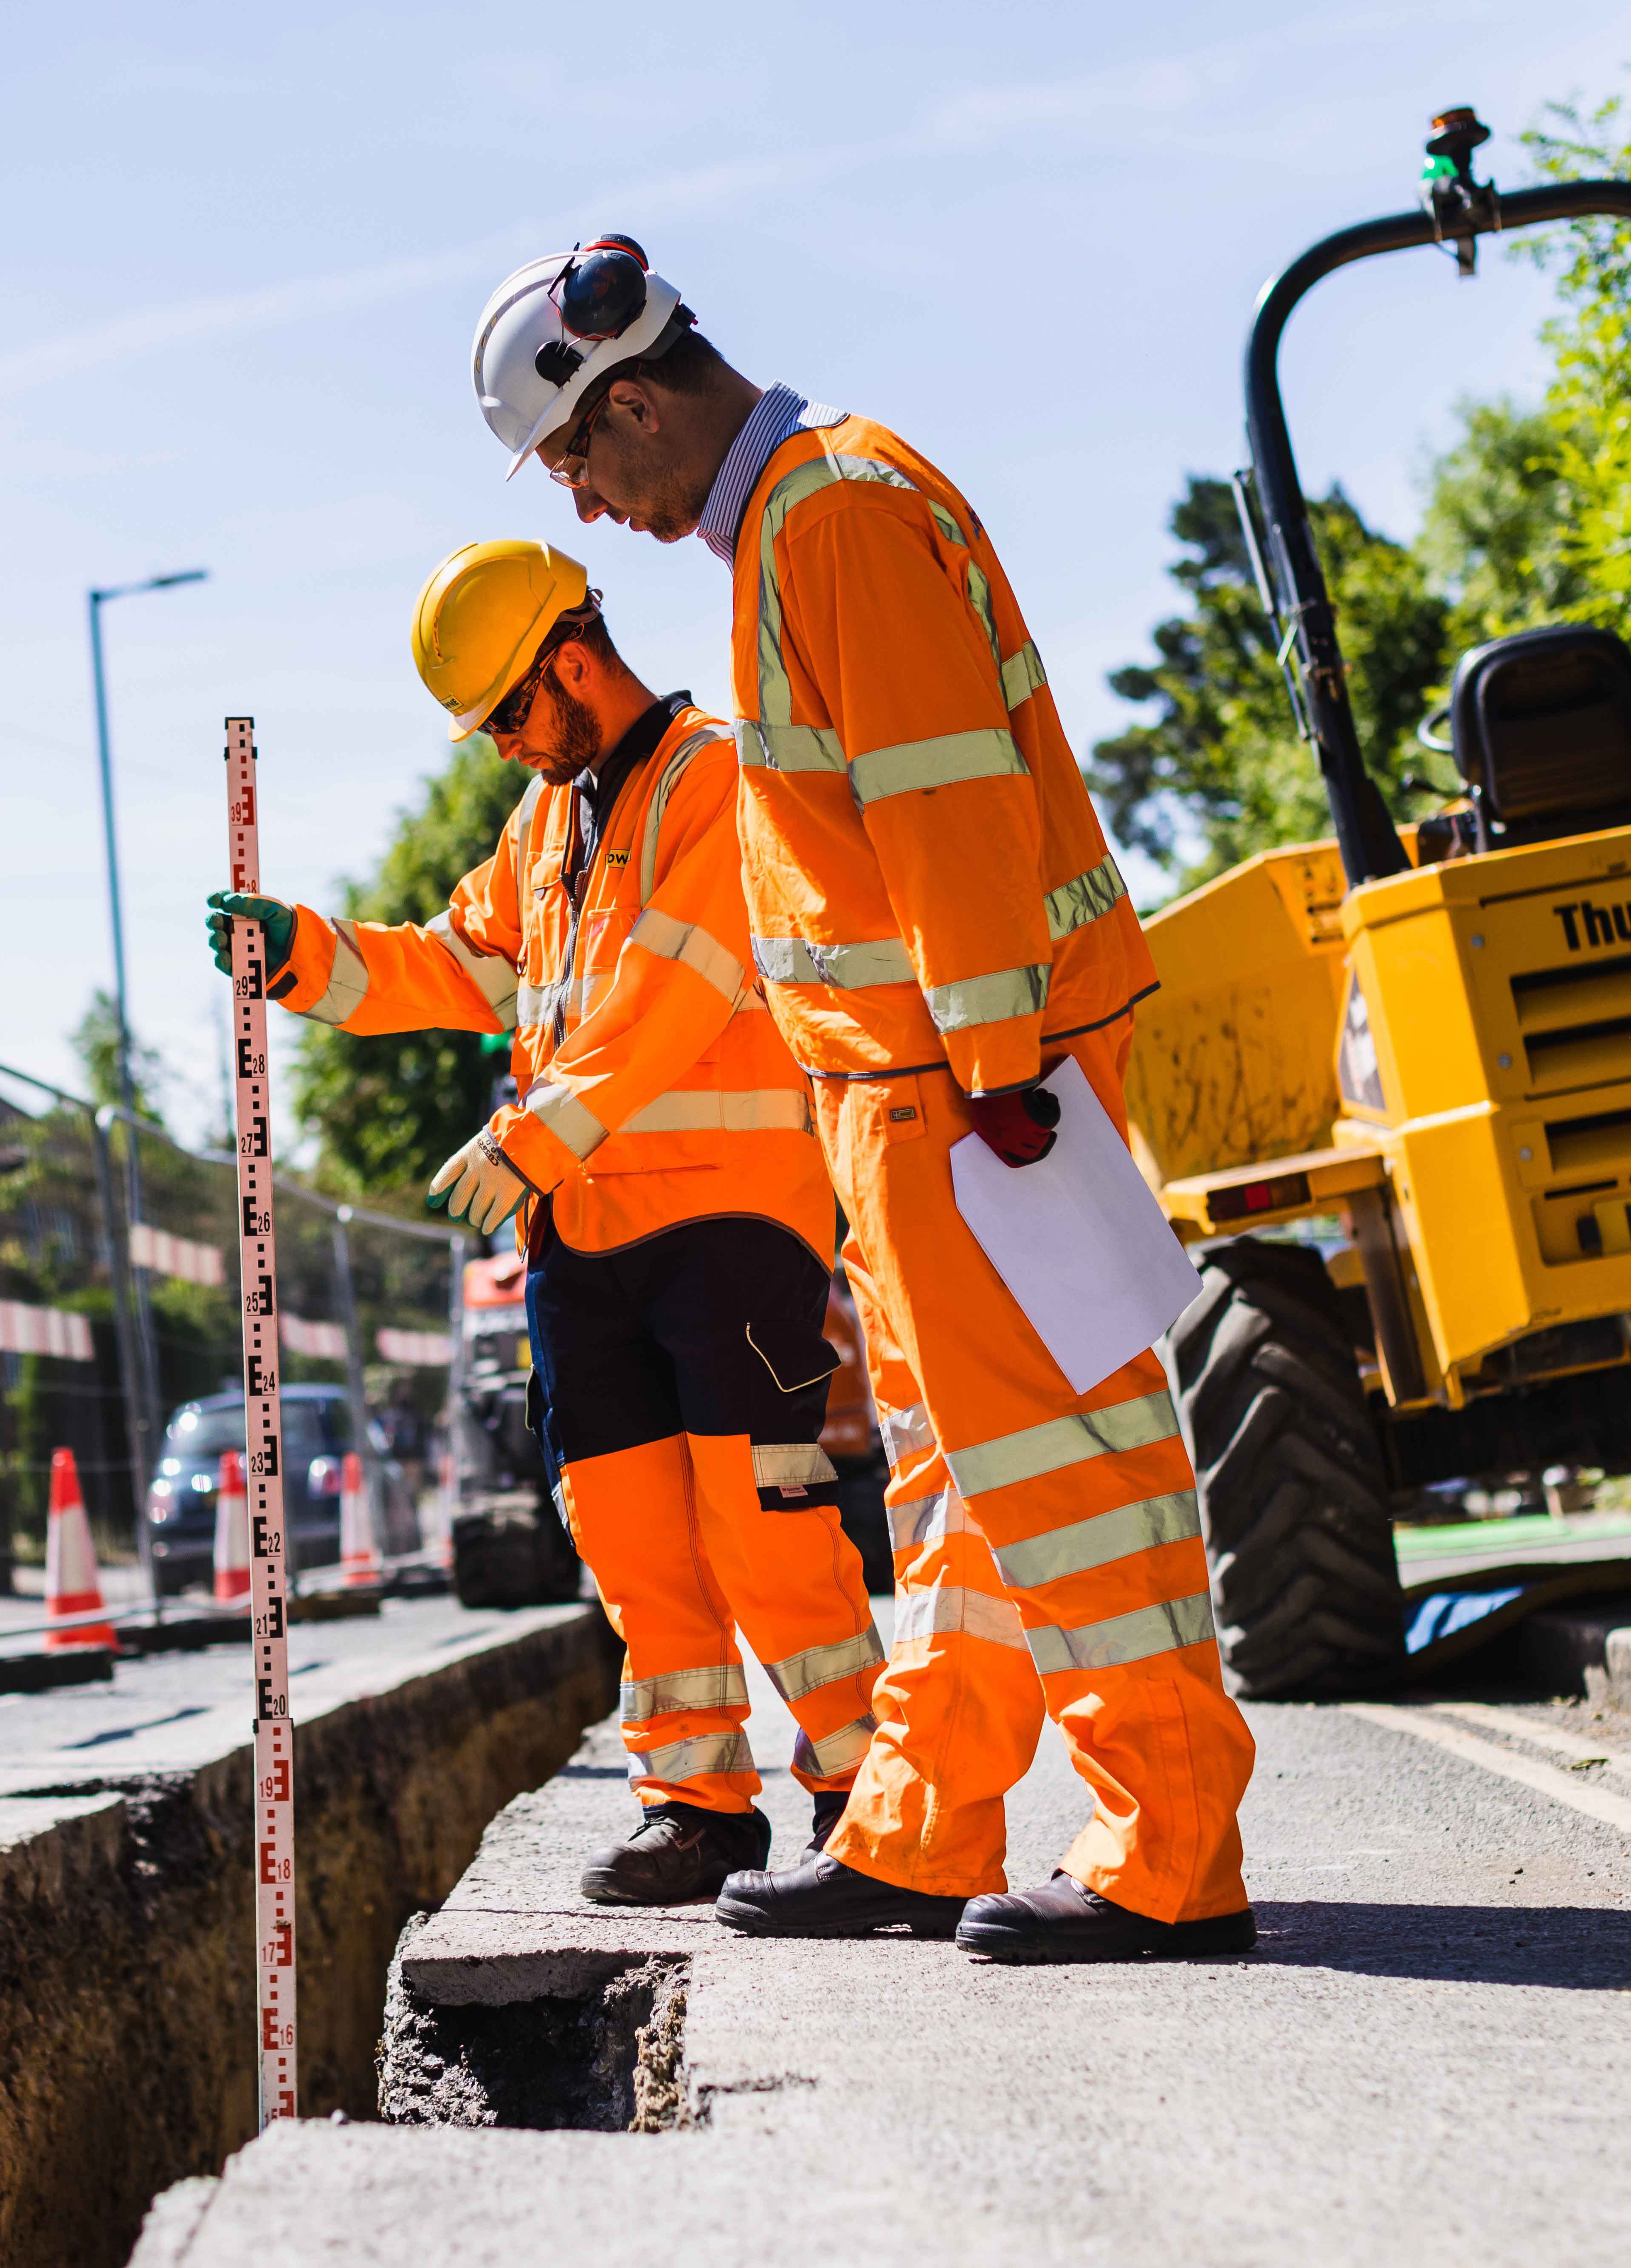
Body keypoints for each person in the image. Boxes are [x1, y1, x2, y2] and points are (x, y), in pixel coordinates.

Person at [465, 237, 1259, 1963]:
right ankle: (918, 1817)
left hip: (964, 1093)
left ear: (642, 395)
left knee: (1059, 1467)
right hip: (922, 1095)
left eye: (583, 462)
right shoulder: (798, 520)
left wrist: (990, 1073)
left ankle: (1165, 1844)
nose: (589, 511)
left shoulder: (826, 516)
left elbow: (939, 799)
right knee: (962, 1483)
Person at [205, 537, 885, 1906]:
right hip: (585, 1238)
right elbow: (459, 963)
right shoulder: (550, 825)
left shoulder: (720, 778)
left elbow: (673, 986)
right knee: (628, 1529)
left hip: (731, 1224)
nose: (503, 747)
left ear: (573, 662)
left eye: (509, 714)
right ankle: (696, 1806)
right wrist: (308, 957)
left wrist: (534, 1134)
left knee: (767, 1522)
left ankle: (862, 1792)